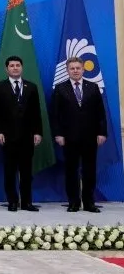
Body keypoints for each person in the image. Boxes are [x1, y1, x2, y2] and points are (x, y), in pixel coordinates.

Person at [51, 56, 107, 213]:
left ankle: (89, 203)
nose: (75, 71)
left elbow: (101, 113)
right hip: (69, 137)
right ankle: (73, 202)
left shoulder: (93, 87)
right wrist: (58, 134)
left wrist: (102, 132)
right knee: (71, 171)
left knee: (89, 170)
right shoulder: (60, 88)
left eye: (78, 68)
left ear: (83, 69)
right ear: (67, 70)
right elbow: (55, 115)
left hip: (90, 136)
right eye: (72, 68)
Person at [0, 55, 42, 212]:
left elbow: (36, 112)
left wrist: (38, 132)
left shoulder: (31, 87)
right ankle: (12, 201)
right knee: (10, 171)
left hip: (27, 136)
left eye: (17, 65)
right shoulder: (0, 87)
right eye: (12, 65)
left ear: (22, 68)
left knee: (26, 172)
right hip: (8, 136)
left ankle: (26, 202)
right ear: (6, 69)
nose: (15, 68)